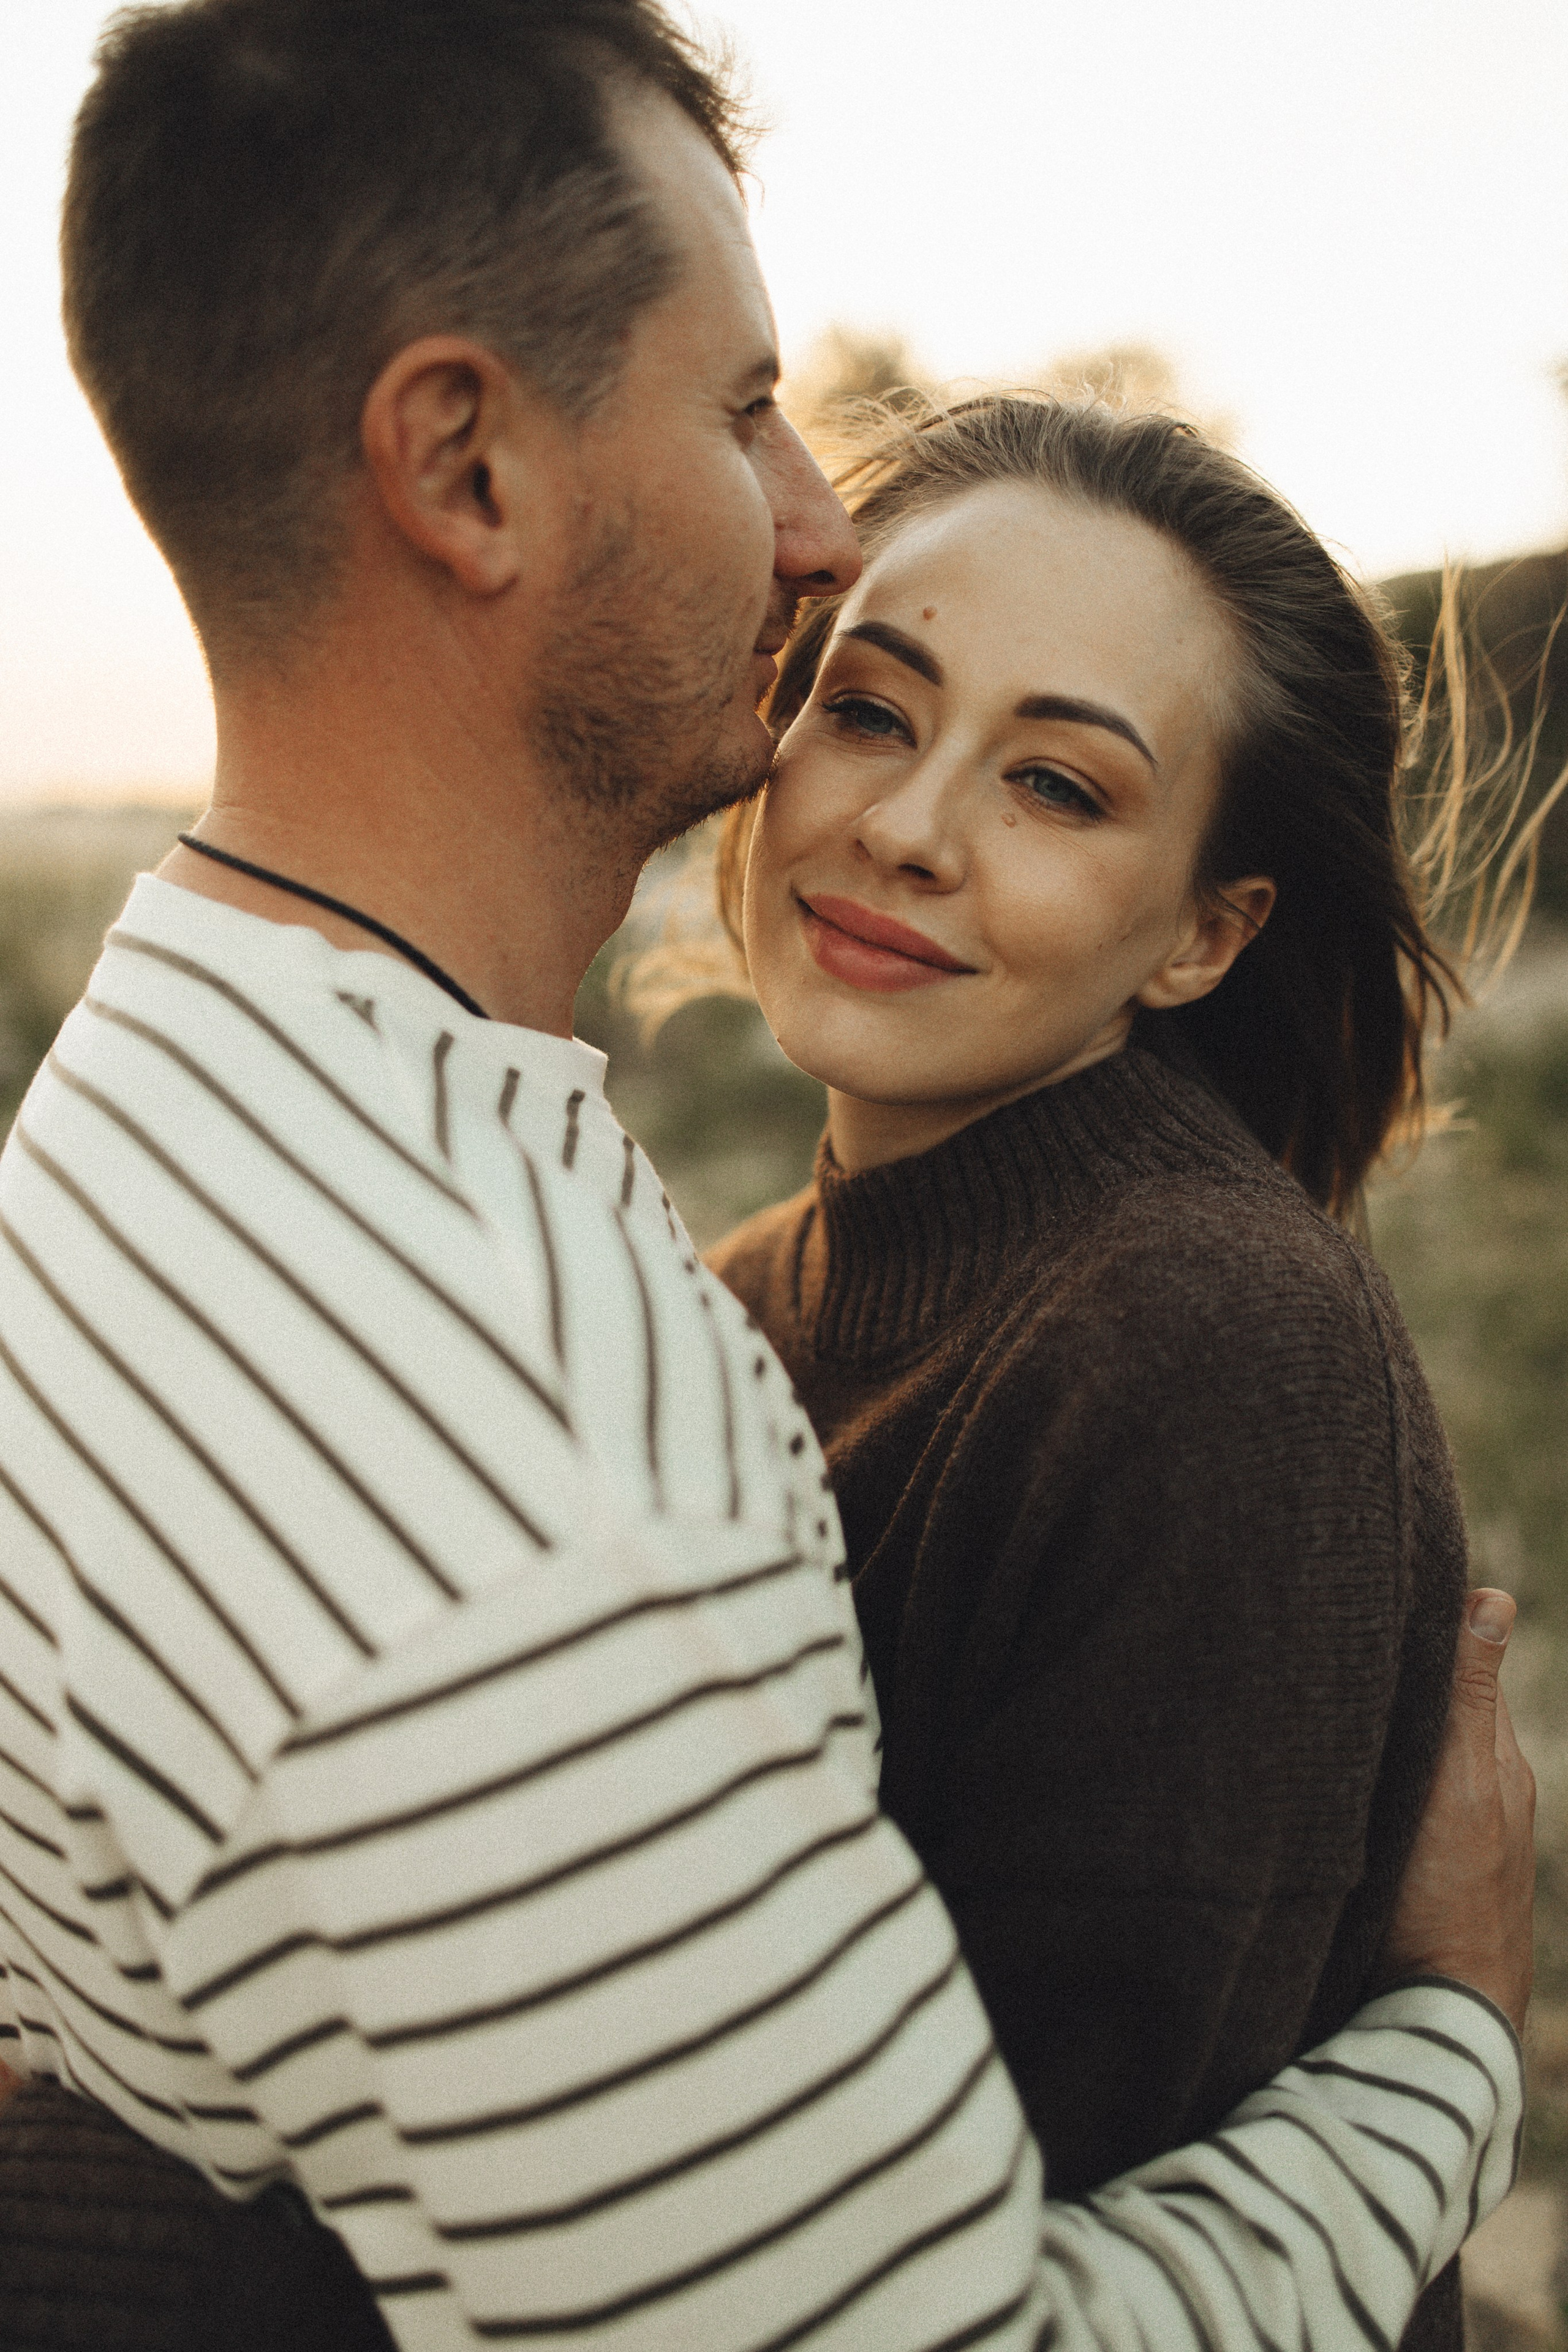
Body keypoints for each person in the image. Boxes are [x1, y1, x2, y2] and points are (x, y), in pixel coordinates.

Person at [0, 5, 1532, 2349]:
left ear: (1214, 927)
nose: (813, 522)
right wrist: (1452, 2042)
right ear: (466, 468)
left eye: (1064, 781)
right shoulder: (531, 1451)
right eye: (740, 409)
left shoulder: (178, 1129)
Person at [703, 393, 1561, 2349]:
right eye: (871, 709)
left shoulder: (1211, 1345)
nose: (904, 829)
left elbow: (1022, 2228)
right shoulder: (738, 1297)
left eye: (1059, 788)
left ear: (1203, 935)